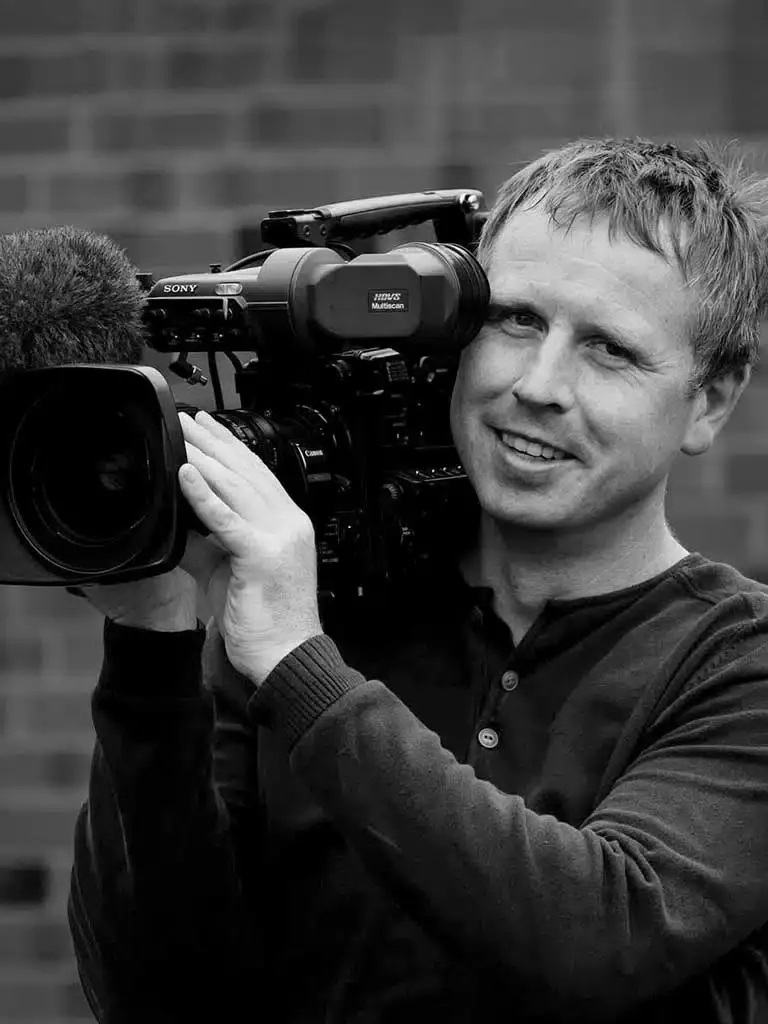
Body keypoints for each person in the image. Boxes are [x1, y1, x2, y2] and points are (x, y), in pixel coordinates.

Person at [68, 138, 768, 1023]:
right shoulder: (307, 612)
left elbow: (601, 939)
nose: (540, 385)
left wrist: (301, 667)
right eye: (514, 320)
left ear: (711, 400)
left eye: (610, 350)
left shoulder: (736, 664)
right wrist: (151, 639)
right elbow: (156, 996)